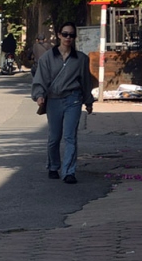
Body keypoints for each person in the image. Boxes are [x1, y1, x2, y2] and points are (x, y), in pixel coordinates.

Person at [31, 21, 95, 184]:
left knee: (70, 136)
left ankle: (69, 171)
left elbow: (86, 81)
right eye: (65, 34)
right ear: (59, 35)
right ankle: (53, 166)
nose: (68, 38)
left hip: (73, 99)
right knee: (54, 137)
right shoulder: (47, 58)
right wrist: (39, 95)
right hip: (54, 100)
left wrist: (88, 101)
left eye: (71, 35)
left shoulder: (81, 59)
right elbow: (40, 79)